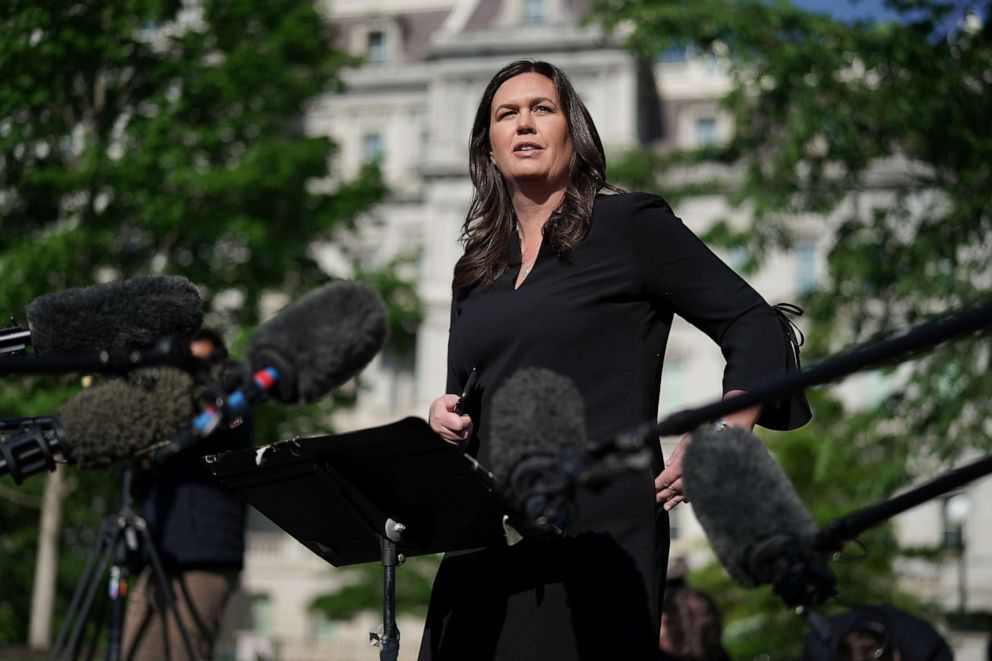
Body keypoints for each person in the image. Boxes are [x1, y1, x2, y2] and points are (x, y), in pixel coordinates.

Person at [421, 59, 810, 661]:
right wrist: (445, 417)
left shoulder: (628, 225)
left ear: (573, 135)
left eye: (542, 109)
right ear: (489, 149)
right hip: (487, 543)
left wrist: (725, 430)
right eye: (506, 114)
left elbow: (755, 323)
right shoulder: (474, 270)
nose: (524, 123)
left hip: (599, 535)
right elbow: (464, 400)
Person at [122, 328, 251, 660]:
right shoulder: (162, 406)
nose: (189, 370)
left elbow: (230, 422)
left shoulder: (232, 401)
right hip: (159, 554)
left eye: (200, 362)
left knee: (186, 650)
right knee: (137, 649)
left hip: (206, 555)